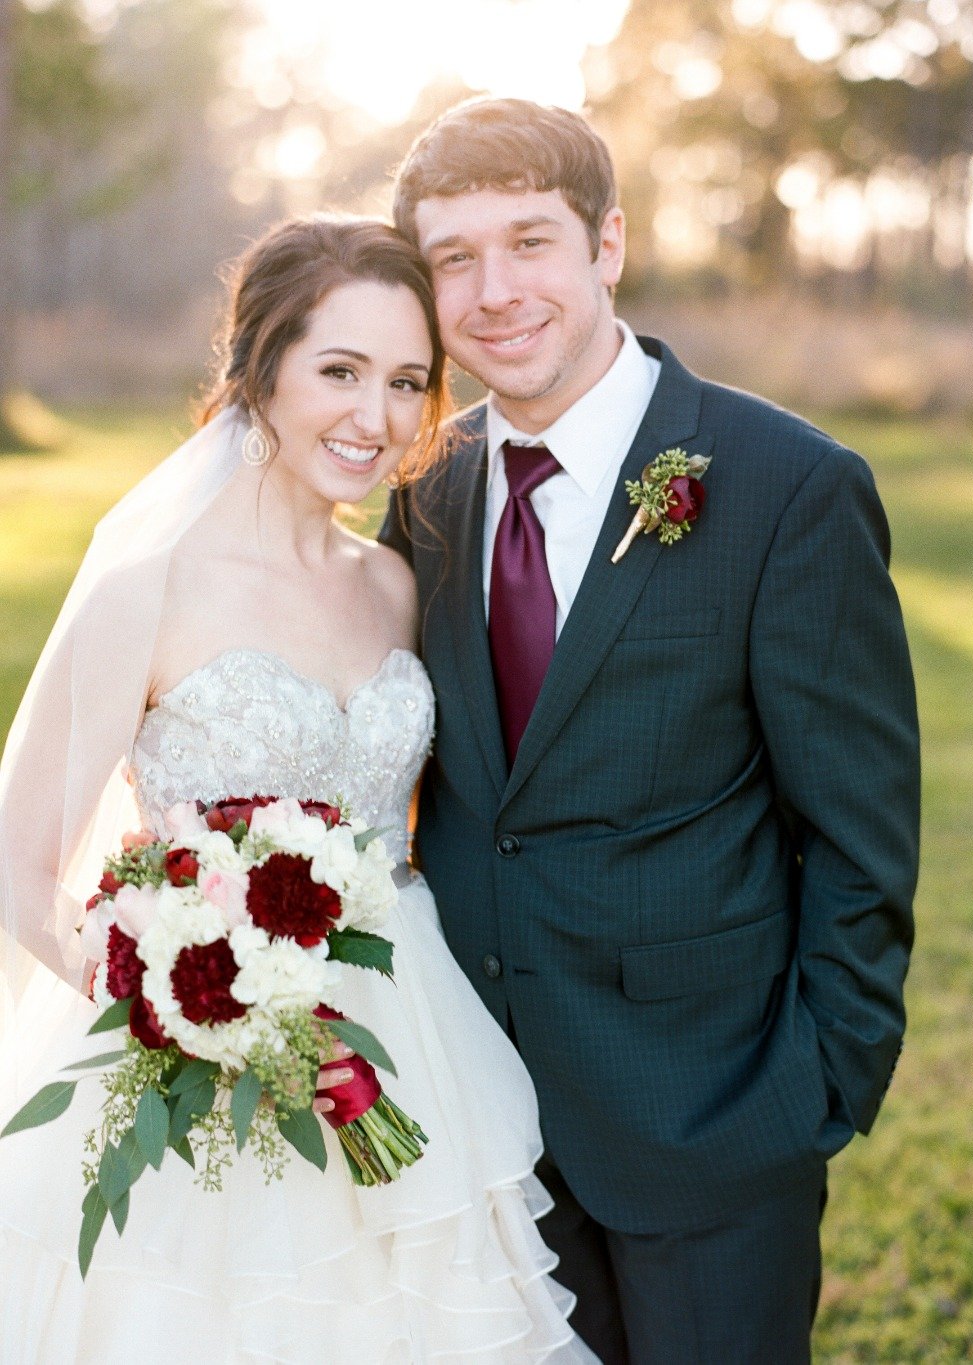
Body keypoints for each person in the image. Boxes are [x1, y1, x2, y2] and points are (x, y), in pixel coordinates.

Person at [0, 216, 597, 1362]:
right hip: (192, 1084)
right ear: (259, 366)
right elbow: (23, 869)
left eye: (408, 382)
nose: (375, 419)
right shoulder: (148, 587)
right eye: (340, 371)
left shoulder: (393, 584)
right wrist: (186, 1000)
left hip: (409, 1054)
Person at [382, 98, 921, 1363]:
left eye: (529, 242)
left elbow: (859, 832)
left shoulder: (787, 487)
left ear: (607, 245)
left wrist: (814, 1090)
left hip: (712, 1124)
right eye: (453, 259)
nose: (494, 290)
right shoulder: (424, 487)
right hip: (483, 1131)